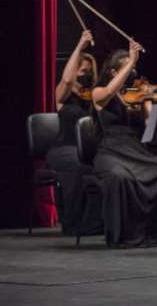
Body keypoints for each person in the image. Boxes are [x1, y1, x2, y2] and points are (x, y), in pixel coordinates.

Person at [91, 41, 157, 247]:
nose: (133, 72)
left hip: (135, 149)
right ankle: (128, 235)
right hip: (110, 151)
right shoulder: (99, 93)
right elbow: (109, 91)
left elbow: (150, 127)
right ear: (114, 71)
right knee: (120, 177)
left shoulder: (139, 94)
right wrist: (132, 59)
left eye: (134, 67)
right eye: (128, 68)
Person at [46, 30, 103, 235]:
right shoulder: (62, 95)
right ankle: (74, 223)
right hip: (64, 148)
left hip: (87, 150)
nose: (84, 74)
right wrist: (80, 45)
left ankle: (97, 223)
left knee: (106, 167)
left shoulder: (94, 97)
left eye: (88, 70)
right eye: (81, 70)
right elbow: (68, 80)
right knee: (78, 167)